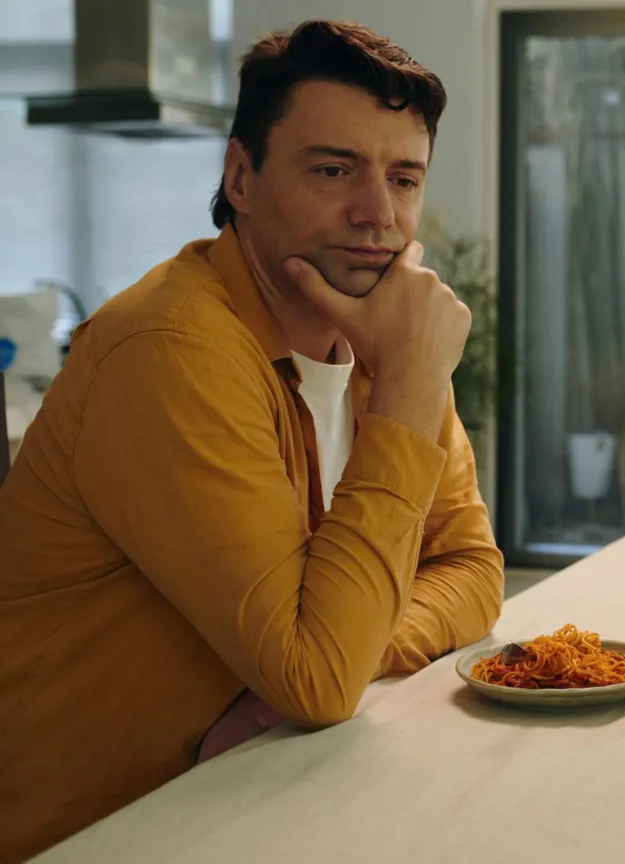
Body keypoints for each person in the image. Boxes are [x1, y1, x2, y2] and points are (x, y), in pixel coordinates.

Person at [0, 21, 504, 861]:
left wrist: (336, 652)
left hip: (260, 793)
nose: (378, 214)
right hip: (99, 833)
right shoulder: (171, 348)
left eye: (403, 177)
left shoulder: (388, 336)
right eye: (333, 169)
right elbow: (317, 677)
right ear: (241, 176)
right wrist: (317, 664)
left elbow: (473, 570)